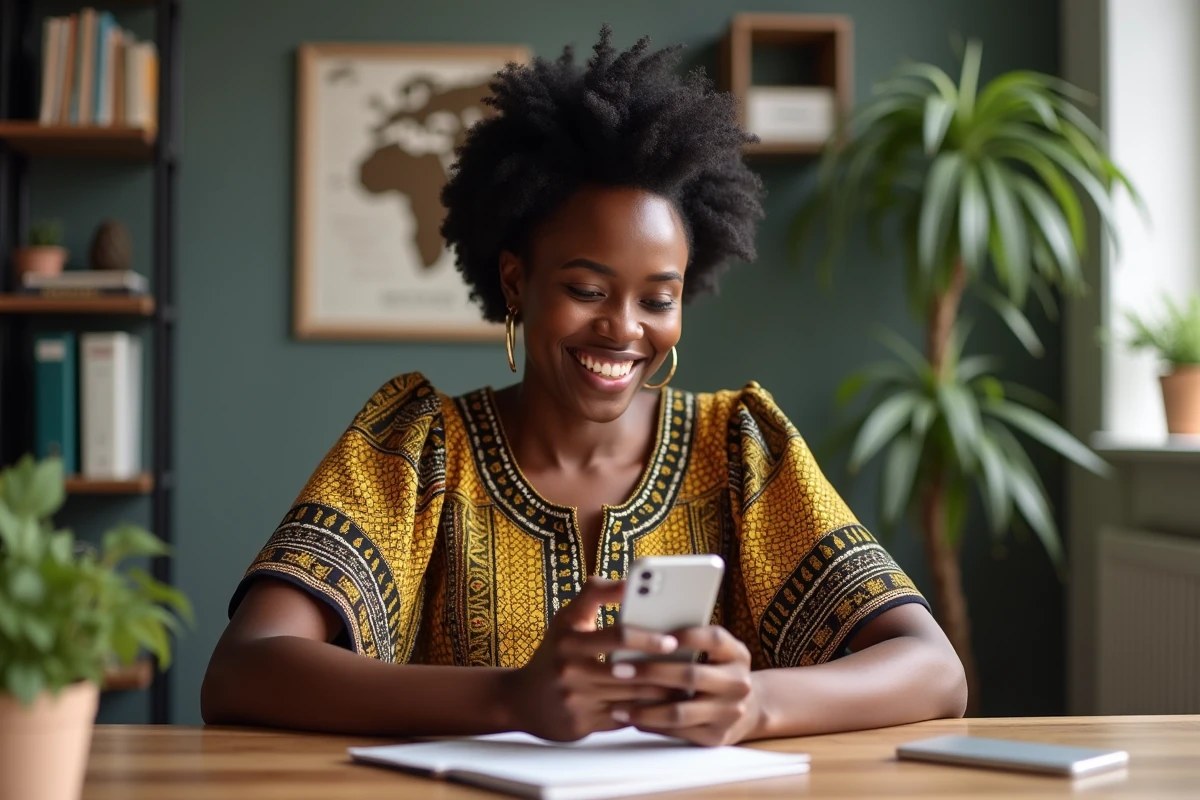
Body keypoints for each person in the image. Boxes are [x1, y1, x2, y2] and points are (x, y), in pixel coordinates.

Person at [201, 25, 967, 746]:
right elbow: (243, 669)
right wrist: (509, 699)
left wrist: (757, 704)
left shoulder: (739, 448)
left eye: (658, 299)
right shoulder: (418, 448)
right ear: (516, 281)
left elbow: (934, 669)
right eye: (587, 289)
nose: (623, 328)